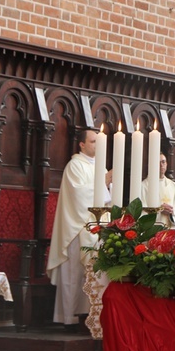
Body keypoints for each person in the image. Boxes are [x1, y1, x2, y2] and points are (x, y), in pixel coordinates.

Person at [47, 128, 110, 327]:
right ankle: (70, 317)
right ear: (81, 144)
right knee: (75, 274)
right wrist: (104, 182)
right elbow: (79, 195)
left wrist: (109, 184)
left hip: (98, 228)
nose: (97, 146)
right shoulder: (75, 166)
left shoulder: (100, 167)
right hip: (77, 229)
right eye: (93, 141)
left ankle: (94, 316)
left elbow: (107, 199)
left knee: (98, 275)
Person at [141, 153, 175, 228]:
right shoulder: (144, 186)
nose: (161, 165)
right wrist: (159, 210)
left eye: (163, 162)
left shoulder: (173, 186)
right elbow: (141, 212)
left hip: (171, 231)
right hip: (152, 231)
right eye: (158, 162)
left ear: (166, 164)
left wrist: (172, 211)